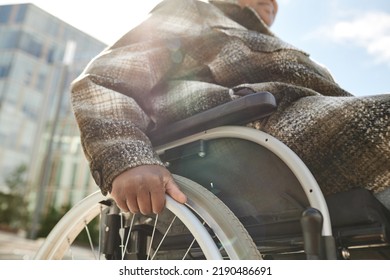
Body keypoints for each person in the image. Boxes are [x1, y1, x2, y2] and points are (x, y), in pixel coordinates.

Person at [70, 0, 390, 215]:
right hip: (266, 141)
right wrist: (128, 160)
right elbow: (104, 79)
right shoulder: (193, 10)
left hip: (330, 133)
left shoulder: (302, 54)